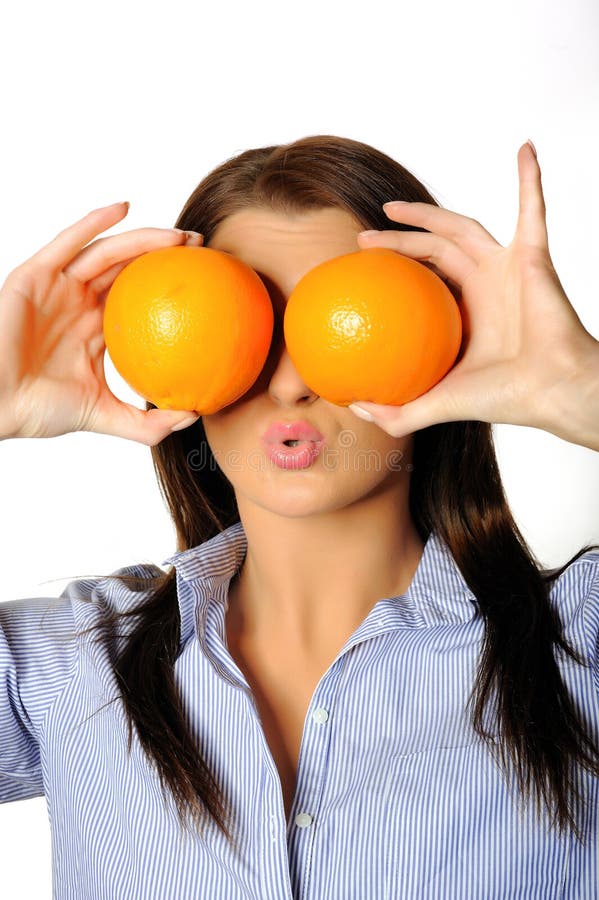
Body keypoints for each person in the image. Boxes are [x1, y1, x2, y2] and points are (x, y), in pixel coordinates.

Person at [1, 134, 598, 900]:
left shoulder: (574, 646)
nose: (286, 383)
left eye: (337, 321)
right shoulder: (72, 666)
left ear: (442, 343)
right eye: (243, 324)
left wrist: (578, 388)